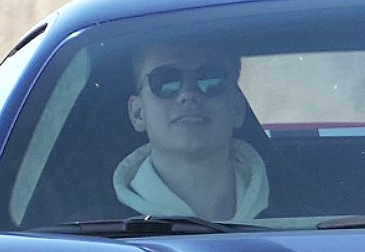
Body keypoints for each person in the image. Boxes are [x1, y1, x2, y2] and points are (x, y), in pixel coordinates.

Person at [112, 42, 270, 222]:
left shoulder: (301, 215)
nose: (188, 94)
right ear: (138, 113)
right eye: (166, 81)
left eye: (210, 79)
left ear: (238, 109)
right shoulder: (92, 233)